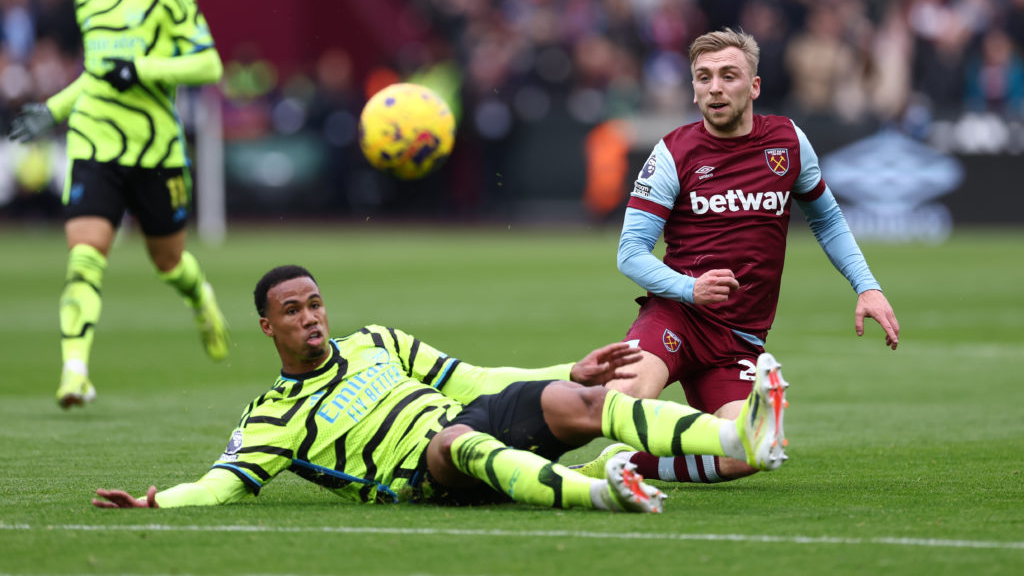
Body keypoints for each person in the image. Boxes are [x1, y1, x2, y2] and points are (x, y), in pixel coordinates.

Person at [91, 264, 789, 513]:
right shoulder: (272, 418)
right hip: (426, 471)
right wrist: (157, 499)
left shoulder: (376, 341)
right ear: (266, 324)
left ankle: (738, 434)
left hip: (471, 414)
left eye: (315, 303)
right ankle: (602, 491)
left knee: (592, 404)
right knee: (459, 440)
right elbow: (222, 483)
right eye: (294, 310)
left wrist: (565, 371)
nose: (311, 316)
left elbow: (476, 378)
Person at [577, 28, 898, 485]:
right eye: (703, 77)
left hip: (738, 340)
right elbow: (630, 253)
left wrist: (867, 286)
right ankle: (529, 445)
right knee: (620, 399)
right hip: (677, 317)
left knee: (750, 453)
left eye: (729, 75)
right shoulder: (674, 152)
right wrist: (690, 288)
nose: (715, 87)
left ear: (754, 86)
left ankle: (623, 465)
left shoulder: (787, 143)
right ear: (693, 89)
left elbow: (826, 220)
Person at [3, 0, 230, 408]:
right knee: (85, 258)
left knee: (169, 262)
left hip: (156, 151)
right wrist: (53, 110)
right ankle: (75, 371)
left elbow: (209, 66)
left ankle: (201, 297)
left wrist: (144, 68)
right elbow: (95, 77)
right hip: (94, 143)